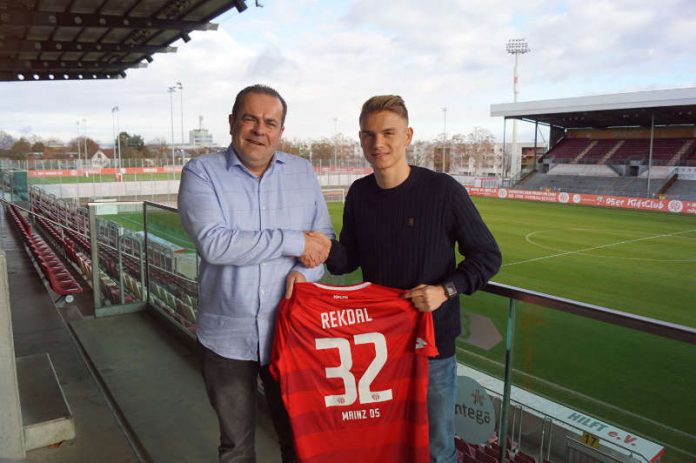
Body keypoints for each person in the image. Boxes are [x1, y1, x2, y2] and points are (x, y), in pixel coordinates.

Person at [320, 95, 502, 463]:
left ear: (408, 136)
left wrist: (445, 290)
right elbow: (349, 259)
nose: (378, 144)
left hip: (431, 346)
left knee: (437, 450)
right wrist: (320, 247)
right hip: (379, 346)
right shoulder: (359, 194)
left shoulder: (443, 191)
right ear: (360, 139)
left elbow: (487, 256)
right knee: (387, 444)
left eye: (388, 133)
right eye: (369, 135)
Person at [178, 84, 334, 463]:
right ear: (232, 122)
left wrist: (305, 274)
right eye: (250, 119)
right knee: (236, 447)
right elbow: (216, 244)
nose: (259, 130)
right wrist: (294, 241)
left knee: (300, 442)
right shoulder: (201, 173)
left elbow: (324, 240)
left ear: (281, 131)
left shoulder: (302, 172)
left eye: (270, 122)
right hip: (226, 339)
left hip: (290, 334)